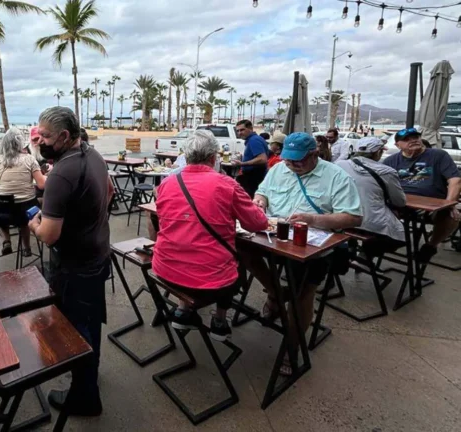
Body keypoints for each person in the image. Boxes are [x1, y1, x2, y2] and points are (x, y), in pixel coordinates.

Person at [247, 132, 362, 375]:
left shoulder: (336, 176)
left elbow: (354, 217)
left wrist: (314, 219)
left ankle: (292, 345)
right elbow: (263, 191)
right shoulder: (279, 168)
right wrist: (259, 201)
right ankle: (276, 293)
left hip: (311, 244)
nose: (292, 165)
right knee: (240, 249)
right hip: (271, 233)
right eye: (288, 160)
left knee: (303, 287)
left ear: (314, 154)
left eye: (298, 160)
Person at [28, 106, 112, 416]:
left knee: (75, 332)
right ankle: (90, 377)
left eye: (46, 136)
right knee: (90, 323)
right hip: (98, 256)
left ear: (65, 136)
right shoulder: (93, 155)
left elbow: (49, 234)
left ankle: (84, 397)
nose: (41, 141)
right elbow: (110, 193)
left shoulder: (62, 172)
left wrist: (33, 224)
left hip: (75, 266)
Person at [152, 130, 268, 340]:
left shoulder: (166, 184)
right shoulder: (227, 185)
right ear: (214, 158)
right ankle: (219, 320)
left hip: (165, 270)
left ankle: (183, 310)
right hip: (211, 279)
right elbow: (257, 224)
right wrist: (257, 207)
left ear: (185, 157)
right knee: (235, 264)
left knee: (192, 248)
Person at [382, 127, 461, 262]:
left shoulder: (438, 155)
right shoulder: (391, 161)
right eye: (407, 139)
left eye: (416, 137)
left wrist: (449, 204)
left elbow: (455, 180)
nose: (413, 140)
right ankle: (374, 249)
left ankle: (430, 246)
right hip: (401, 204)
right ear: (397, 145)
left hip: (432, 205)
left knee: (452, 216)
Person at [336, 137, 407, 255]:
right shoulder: (387, 172)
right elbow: (400, 202)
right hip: (372, 224)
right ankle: (365, 256)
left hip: (342, 219)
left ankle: (353, 249)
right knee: (399, 235)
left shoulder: (339, 165)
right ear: (378, 152)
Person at [0, 128, 47, 257]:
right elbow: (41, 184)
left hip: (1, 210)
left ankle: (6, 240)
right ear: (21, 144)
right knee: (26, 218)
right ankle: (26, 248)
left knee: (2, 213)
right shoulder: (29, 159)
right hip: (25, 210)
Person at [233, 119, 270, 198]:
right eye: (238, 131)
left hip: (254, 177)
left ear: (250, 128)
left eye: (242, 130)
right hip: (252, 176)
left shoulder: (254, 140)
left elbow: (262, 159)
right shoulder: (252, 139)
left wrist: (242, 163)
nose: (239, 133)